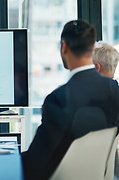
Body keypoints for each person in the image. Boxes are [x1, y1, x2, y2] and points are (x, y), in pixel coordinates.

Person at [21, 20, 119, 180]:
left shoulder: (58, 99)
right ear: (91, 48)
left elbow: (35, 163)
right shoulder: (115, 91)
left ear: (64, 47)